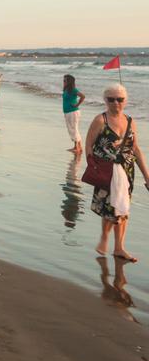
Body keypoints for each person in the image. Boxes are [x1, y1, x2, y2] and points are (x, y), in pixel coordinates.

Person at [85, 85, 149, 262]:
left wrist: (147, 176)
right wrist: (93, 167)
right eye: (111, 99)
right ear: (105, 101)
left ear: (125, 101)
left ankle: (119, 247)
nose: (115, 103)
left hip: (126, 172)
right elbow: (89, 145)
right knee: (110, 208)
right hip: (106, 171)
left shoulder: (130, 121)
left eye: (119, 99)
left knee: (123, 209)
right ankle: (105, 237)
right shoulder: (100, 120)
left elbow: (135, 149)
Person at [63, 74, 86, 154]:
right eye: (63, 80)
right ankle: (78, 146)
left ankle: (77, 147)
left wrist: (77, 104)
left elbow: (83, 96)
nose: (64, 82)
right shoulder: (66, 90)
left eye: (65, 80)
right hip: (68, 112)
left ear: (69, 82)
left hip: (73, 112)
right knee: (71, 129)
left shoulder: (73, 90)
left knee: (74, 129)